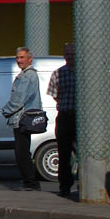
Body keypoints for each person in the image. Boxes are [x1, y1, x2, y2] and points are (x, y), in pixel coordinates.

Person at [1, 46, 42, 190]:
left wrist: (6, 110)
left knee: (21, 152)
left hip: (21, 118)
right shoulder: (27, 74)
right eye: (17, 58)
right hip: (22, 118)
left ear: (30, 59)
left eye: (22, 57)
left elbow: (19, 99)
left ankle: (30, 182)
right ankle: (29, 181)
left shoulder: (27, 76)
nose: (19, 60)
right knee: (23, 150)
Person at [47, 42, 76, 197]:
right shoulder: (58, 73)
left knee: (81, 153)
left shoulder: (84, 73)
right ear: (64, 56)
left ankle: (85, 183)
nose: (70, 57)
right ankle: (64, 186)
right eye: (68, 54)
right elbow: (54, 94)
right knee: (63, 154)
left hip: (80, 118)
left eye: (73, 54)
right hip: (64, 116)